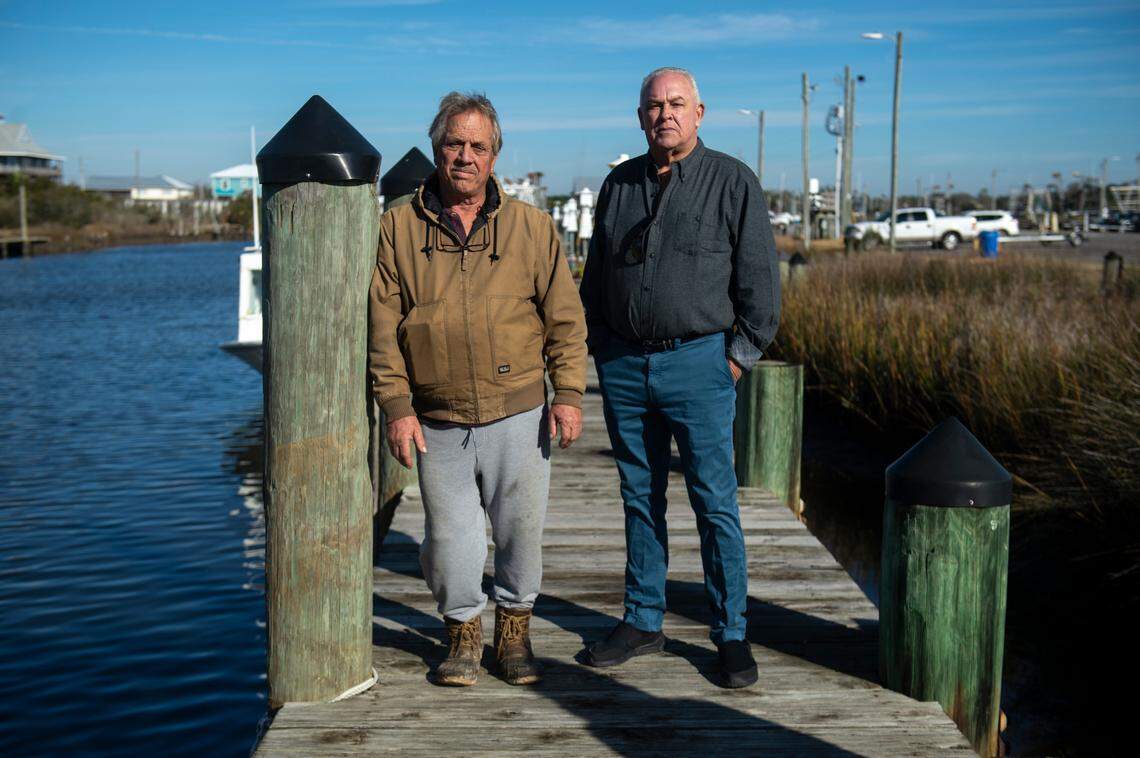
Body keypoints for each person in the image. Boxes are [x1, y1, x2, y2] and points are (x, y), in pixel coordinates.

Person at [368, 92, 587, 687]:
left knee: (520, 533)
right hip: (436, 419)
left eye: (478, 146)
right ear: (438, 149)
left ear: (495, 156)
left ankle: (514, 633)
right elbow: (383, 327)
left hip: (518, 411)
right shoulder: (397, 228)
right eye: (454, 144)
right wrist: (396, 406)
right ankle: (463, 633)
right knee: (451, 541)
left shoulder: (532, 228)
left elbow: (565, 320)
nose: (465, 155)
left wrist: (567, 393)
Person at [578, 67, 780, 688]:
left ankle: (731, 633)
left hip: (700, 363)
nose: (664, 114)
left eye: (676, 104)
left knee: (713, 502)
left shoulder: (733, 181)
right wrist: (603, 347)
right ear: (640, 116)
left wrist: (735, 357)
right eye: (653, 105)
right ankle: (642, 618)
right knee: (639, 497)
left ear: (699, 112)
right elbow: (595, 281)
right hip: (624, 366)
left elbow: (761, 287)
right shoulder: (618, 185)